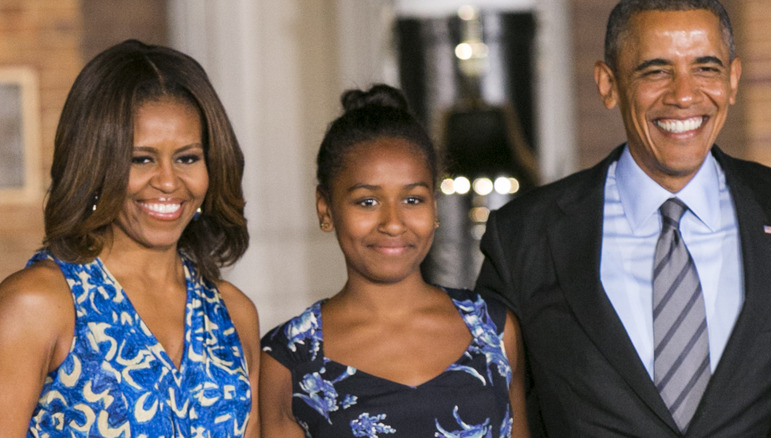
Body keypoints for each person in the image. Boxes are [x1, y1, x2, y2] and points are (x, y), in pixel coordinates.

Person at [475, 0, 771, 436]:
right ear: (608, 84)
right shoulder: (523, 237)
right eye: (656, 71)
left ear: (732, 80)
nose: (684, 95)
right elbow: (494, 409)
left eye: (706, 68)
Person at [0, 40, 260, 437]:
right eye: (141, 159)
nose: (169, 181)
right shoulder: (36, 305)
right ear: (95, 165)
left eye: (187, 158)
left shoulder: (233, 314)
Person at [259, 84, 530, 438]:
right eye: (367, 202)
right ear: (325, 208)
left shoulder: (494, 330)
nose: (392, 223)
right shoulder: (287, 359)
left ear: (434, 207)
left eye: (413, 200)